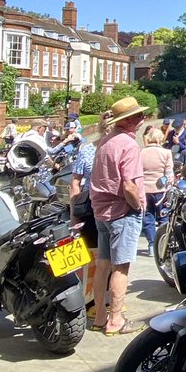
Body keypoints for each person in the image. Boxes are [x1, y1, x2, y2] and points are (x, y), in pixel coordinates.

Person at [89, 96, 146, 336]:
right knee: (121, 268)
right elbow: (130, 186)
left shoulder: (105, 141)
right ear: (130, 120)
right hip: (122, 212)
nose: (143, 119)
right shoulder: (128, 145)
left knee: (103, 265)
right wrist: (138, 206)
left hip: (101, 211)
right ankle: (116, 320)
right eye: (140, 116)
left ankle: (100, 316)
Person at [69, 132, 99, 311]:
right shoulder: (87, 150)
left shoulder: (120, 146)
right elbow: (75, 183)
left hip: (110, 207)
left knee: (108, 255)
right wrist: (74, 214)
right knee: (92, 253)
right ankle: (89, 300)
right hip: (90, 206)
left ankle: (102, 297)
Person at [140, 126, 174, 250]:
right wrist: (169, 187)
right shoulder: (166, 153)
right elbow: (169, 173)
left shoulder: (141, 152)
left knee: (148, 216)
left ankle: (151, 244)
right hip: (161, 189)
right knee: (163, 216)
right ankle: (162, 244)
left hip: (144, 189)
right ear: (160, 139)